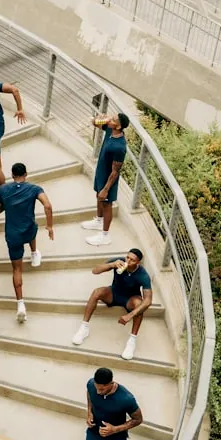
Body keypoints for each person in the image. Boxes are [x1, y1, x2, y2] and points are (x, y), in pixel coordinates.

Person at [0, 162, 54, 323]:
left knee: (16, 269)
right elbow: (48, 206)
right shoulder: (34, 189)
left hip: (12, 235)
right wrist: (49, 226)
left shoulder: (3, 190)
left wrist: (9, 204)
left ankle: (20, 304)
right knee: (32, 228)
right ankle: (34, 253)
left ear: (12, 175)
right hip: (28, 230)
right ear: (26, 174)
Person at [72, 249, 153, 361]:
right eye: (127, 257)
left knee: (139, 304)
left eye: (132, 260)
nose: (128, 261)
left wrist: (130, 315)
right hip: (114, 293)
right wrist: (112, 265)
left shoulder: (143, 275)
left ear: (138, 262)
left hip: (130, 299)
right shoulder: (118, 261)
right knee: (97, 292)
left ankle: (132, 340)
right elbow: (95, 271)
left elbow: (148, 301)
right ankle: (84, 328)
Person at [81, 112, 129, 246]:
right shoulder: (110, 129)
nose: (110, 120)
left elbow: (115, 171)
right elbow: (94, 123)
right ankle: (98, 221)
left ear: (118, 127)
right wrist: (100, 118)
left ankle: (105, 235)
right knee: (98, 196)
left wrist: (106, 189)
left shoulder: (120, 147)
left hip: (109, 178)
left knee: (107, 204)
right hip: (101, 172)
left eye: (113, 120)